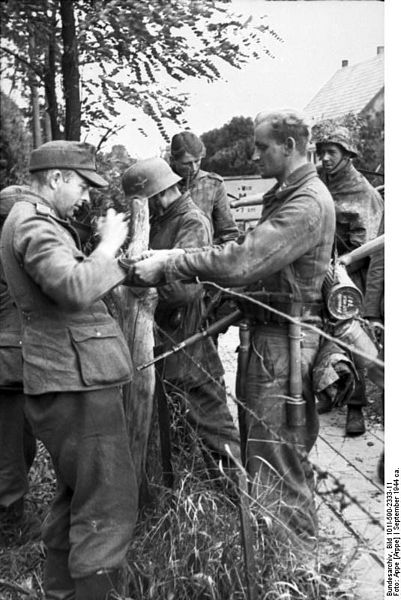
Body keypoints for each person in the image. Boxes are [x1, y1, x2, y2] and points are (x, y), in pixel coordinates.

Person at [123, 109, 336, 550]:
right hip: (271, 336)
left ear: (289, 146)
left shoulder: (306, 203)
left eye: (261, 147)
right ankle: (279, 558)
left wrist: (172, 264)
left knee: (276, 463)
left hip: (285, 341)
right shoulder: (290, 195)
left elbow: (244, 260)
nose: (253, 156)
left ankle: (295, 564)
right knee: (265, 457)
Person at [0, 141, 138, 599]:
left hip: (67, 377)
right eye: (81, 184)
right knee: (108, 505)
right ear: (56, 178)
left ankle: (62, 593)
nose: (85, 196)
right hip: (75, 382)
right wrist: (110, 244)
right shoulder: (33, 224)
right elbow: (74, 287)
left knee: (76, 497)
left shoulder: (34, 220)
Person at [122, 157, 241, 488]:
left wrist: (139, 283)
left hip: (186, 343)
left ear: (156, 196)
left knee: (215, 432)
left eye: (139, 203)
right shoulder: (165, 219)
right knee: (178, 432)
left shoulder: (191, 221)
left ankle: (244, 504)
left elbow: (183, 289)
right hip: (166, 340)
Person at [315, 126, 384, 436]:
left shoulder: (363, 192)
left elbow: (368, 244)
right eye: (322, 152)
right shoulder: (319, 182)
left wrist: (341, 263)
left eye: (332, 152)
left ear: (347, 155)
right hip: (319, 267)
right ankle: (328, 390)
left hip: (350, 273)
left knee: (352, 338)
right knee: (317, 332)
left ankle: (356, 406)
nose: (325, 158)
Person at [0, 186, 36, 542]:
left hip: (10, 359)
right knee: (12, 446)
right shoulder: (12, 250)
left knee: (18, 442)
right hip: (8, 362)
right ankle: (10, 524)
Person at [169, 131, 239, 244]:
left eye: (197, 161)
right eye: (186, 163)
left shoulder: (213, 185)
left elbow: (228, 234)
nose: (193, 168)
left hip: (203, 253)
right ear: (173, 160)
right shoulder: (160, 186)